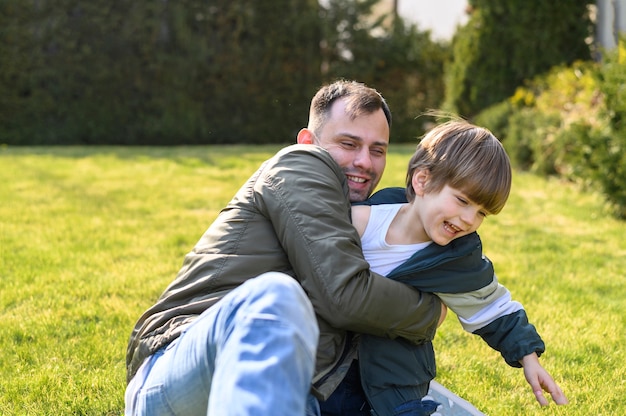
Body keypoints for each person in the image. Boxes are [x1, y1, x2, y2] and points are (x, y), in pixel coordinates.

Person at [124, 80, 443, 416]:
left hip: (283, 393)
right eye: (349, 143)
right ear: (309, 140)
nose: (365, 161)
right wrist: (430, 312)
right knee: (277, 295)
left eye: (377, 150)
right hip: (182, 369)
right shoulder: (302, 164)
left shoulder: (362, 216)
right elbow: (345, 296)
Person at [346, 120, 569, 415]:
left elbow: (493, 307)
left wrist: (528, 357)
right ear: (422, 181)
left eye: (480, 213)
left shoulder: (456, 258)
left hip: (396, 388)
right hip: (332, 369)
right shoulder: (363, 220)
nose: (468, 220)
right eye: (462, 200)